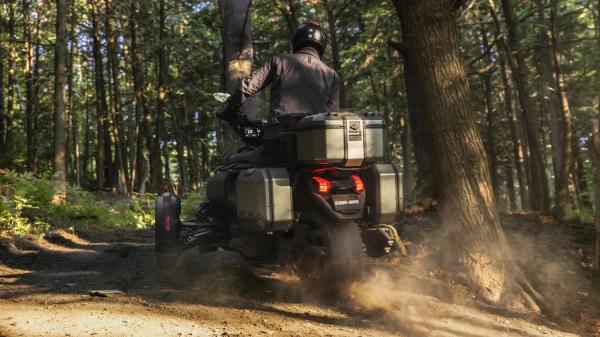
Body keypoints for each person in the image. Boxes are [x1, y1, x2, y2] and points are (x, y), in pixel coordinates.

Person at [219, 21, 340, 125]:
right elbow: (333, 115)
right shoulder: (332, 75)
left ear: (297, 41)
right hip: (315, 140)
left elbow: (248, 86)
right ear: (322, 45)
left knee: (245, 153)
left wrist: (229, 107)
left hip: (278, 137)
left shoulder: (280, 61)